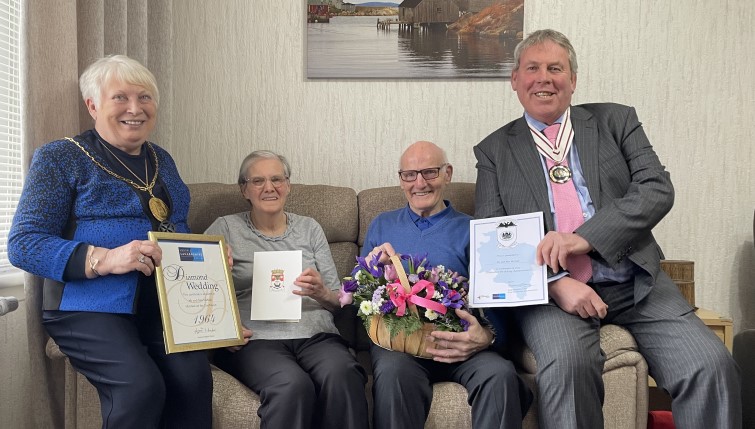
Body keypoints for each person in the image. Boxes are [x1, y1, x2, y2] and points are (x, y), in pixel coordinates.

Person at [474, 29, 741, 429]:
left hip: (635, 281)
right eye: (532, 68)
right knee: (567, 366)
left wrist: (586, 237)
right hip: (553, 295)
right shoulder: (494, 151)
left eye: (555, 68)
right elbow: (495, 242)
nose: (543, 78)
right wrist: (557, 284)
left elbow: (657, 189)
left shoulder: (616, 120)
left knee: (711, 365)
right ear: (515, 80)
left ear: (573, 80)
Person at [8, 55, 212, 428]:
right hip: (86, 306)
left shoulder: (161, 159)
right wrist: (105, 258)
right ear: (93, 105)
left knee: (194, 379)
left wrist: (208, 265)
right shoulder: (61, 157)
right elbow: (24, 243)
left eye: (145, 97)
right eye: (120, 97)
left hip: (163, 303)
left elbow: (177, 231)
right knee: (140, 387)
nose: (135, 108)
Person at [362, 140, 532, 429]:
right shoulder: (382, 225)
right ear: (400, 179)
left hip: (461, 345)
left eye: (430, 172)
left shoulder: (476, 230)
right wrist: (371, 271)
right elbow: (363, 298)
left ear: (447, 173)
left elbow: (499, 301)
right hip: (402, 346)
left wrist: (488, 337)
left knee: (500, 374)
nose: (420, 183)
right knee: (392, 374)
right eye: (409, 175)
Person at [205, 150, 369, 429]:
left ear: (288, 185)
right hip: (256, 340)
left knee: (343, 373)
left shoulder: (309, 228)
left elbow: (338, 300)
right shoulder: (226, 227)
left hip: (316, 335)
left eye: (276, 179)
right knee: (292, 385)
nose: (269, 187)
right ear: (244, 189)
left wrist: (321, 292)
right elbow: (198, 287)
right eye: (258, 181)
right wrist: (223, 328)